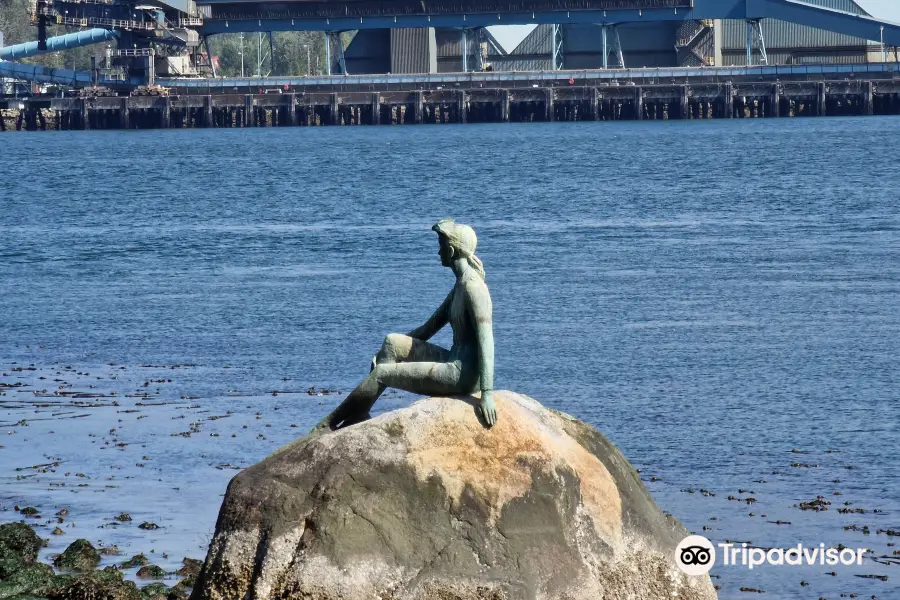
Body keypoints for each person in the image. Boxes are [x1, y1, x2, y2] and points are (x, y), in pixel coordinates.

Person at [316, 219, 496, 432]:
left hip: (461, 375)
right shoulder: (459, 287)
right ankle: (360, 411)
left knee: (382, 373)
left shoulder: (474, 289)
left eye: (440, 246)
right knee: (392, 341)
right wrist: (387, 351)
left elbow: (487, 341)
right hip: (451, 360)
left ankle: (330, 423)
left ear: (450, 249)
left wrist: (487, 394)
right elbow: (427, 329)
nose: (438, 252)